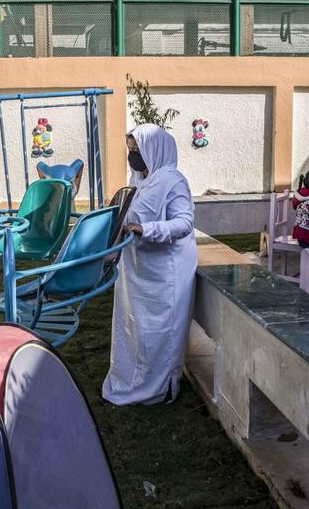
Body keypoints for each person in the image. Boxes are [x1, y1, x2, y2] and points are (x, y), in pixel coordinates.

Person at [102, 124, 198, 406]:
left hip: (166, 273)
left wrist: (147, 229)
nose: (133, 156)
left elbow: (183, 223)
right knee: (136, 329)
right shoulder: (145, 181)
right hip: (139, 272)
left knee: (160, 333)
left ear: (154, 150)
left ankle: (159, 387)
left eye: (137, 150)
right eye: (130, 150)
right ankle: (133, 379)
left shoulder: (173, 181)